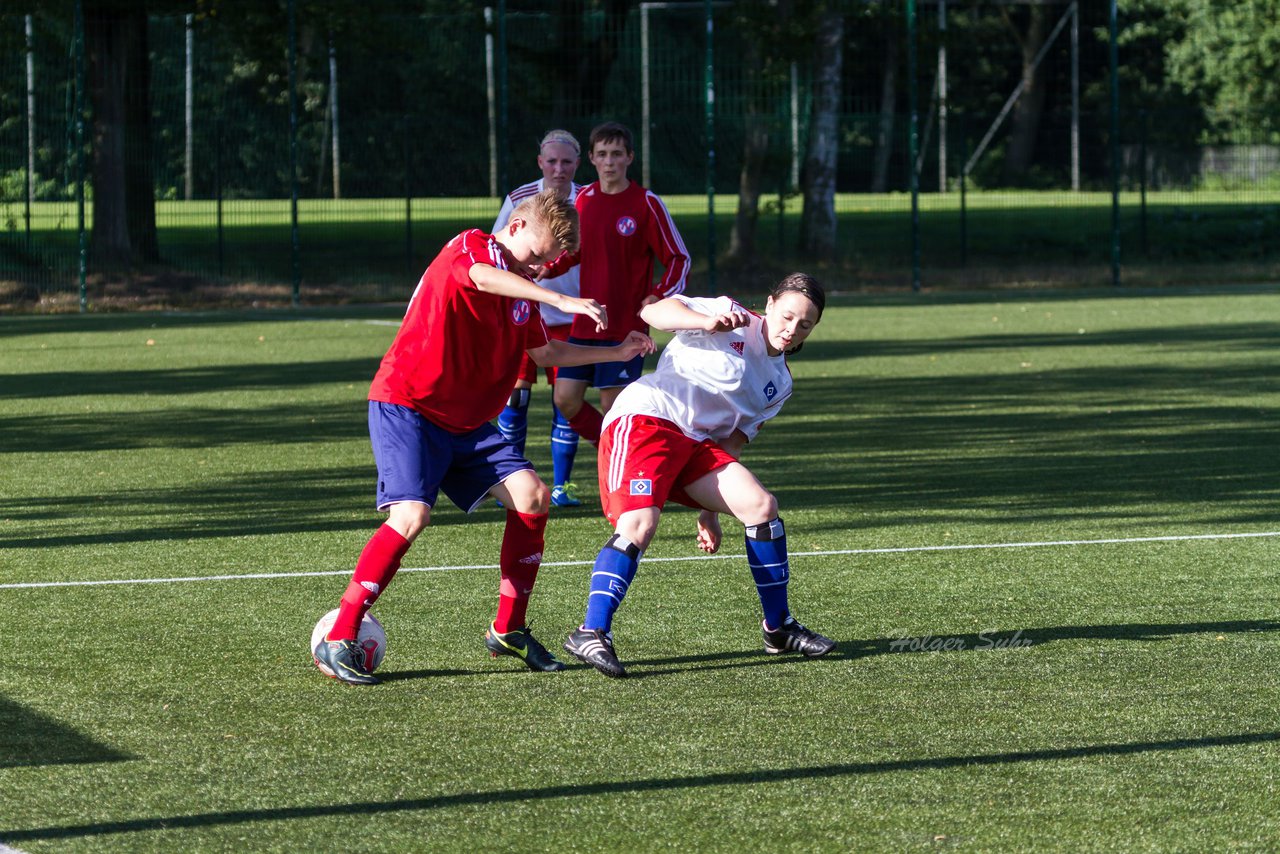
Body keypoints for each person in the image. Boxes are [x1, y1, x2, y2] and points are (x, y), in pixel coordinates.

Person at [313, 188, 654, 685]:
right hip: (408, 405)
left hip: (467, 423)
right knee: (412, 516)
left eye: (551, 263)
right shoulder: (472, 248)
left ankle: (508, 629)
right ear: (514, 228)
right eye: (538, 255)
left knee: (533, 498)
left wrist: (615, 350)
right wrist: (558, 295)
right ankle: (341, 636)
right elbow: (480, 277)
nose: (541, 267)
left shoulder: (519, 286)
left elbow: (545, 354)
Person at [562, 273, 836, 678]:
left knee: (761, 506)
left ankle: (778, 629)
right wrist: (703, 321)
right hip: (648, 420)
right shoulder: (729, 314)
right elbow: (652, 310)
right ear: (770, 303)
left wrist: (710, 511)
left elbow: (733, 443)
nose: (791, 329)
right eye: (787, 316)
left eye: (805, 324)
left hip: (695, 444)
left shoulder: (779, 383)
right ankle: (591, 630)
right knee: (640, 524)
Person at [541, 121, 690, 453]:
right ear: (591, 158)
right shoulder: (584, 201)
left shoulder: (646, 203)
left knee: (615, 409)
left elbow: (680, 259)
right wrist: (541, 268)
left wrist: (658, 295)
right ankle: (609, 449)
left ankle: (620, 472)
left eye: (617, 154)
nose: (610, 161)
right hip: (586, 322)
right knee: (564, 398)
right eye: (603, 154)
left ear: (630, 158)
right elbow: (571, 253)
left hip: (625, 328)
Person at [493, 130, 587, 507]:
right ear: (540, 163)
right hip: (521, 312)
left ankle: (562, 485)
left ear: (578, 164)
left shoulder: (588, 199)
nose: (559, 168)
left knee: (566, 402)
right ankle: (510, 482)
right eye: (552, 161)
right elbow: (499, 248)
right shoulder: (519, 198)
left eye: (567, 162)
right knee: (515, 399)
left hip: (568, 314)